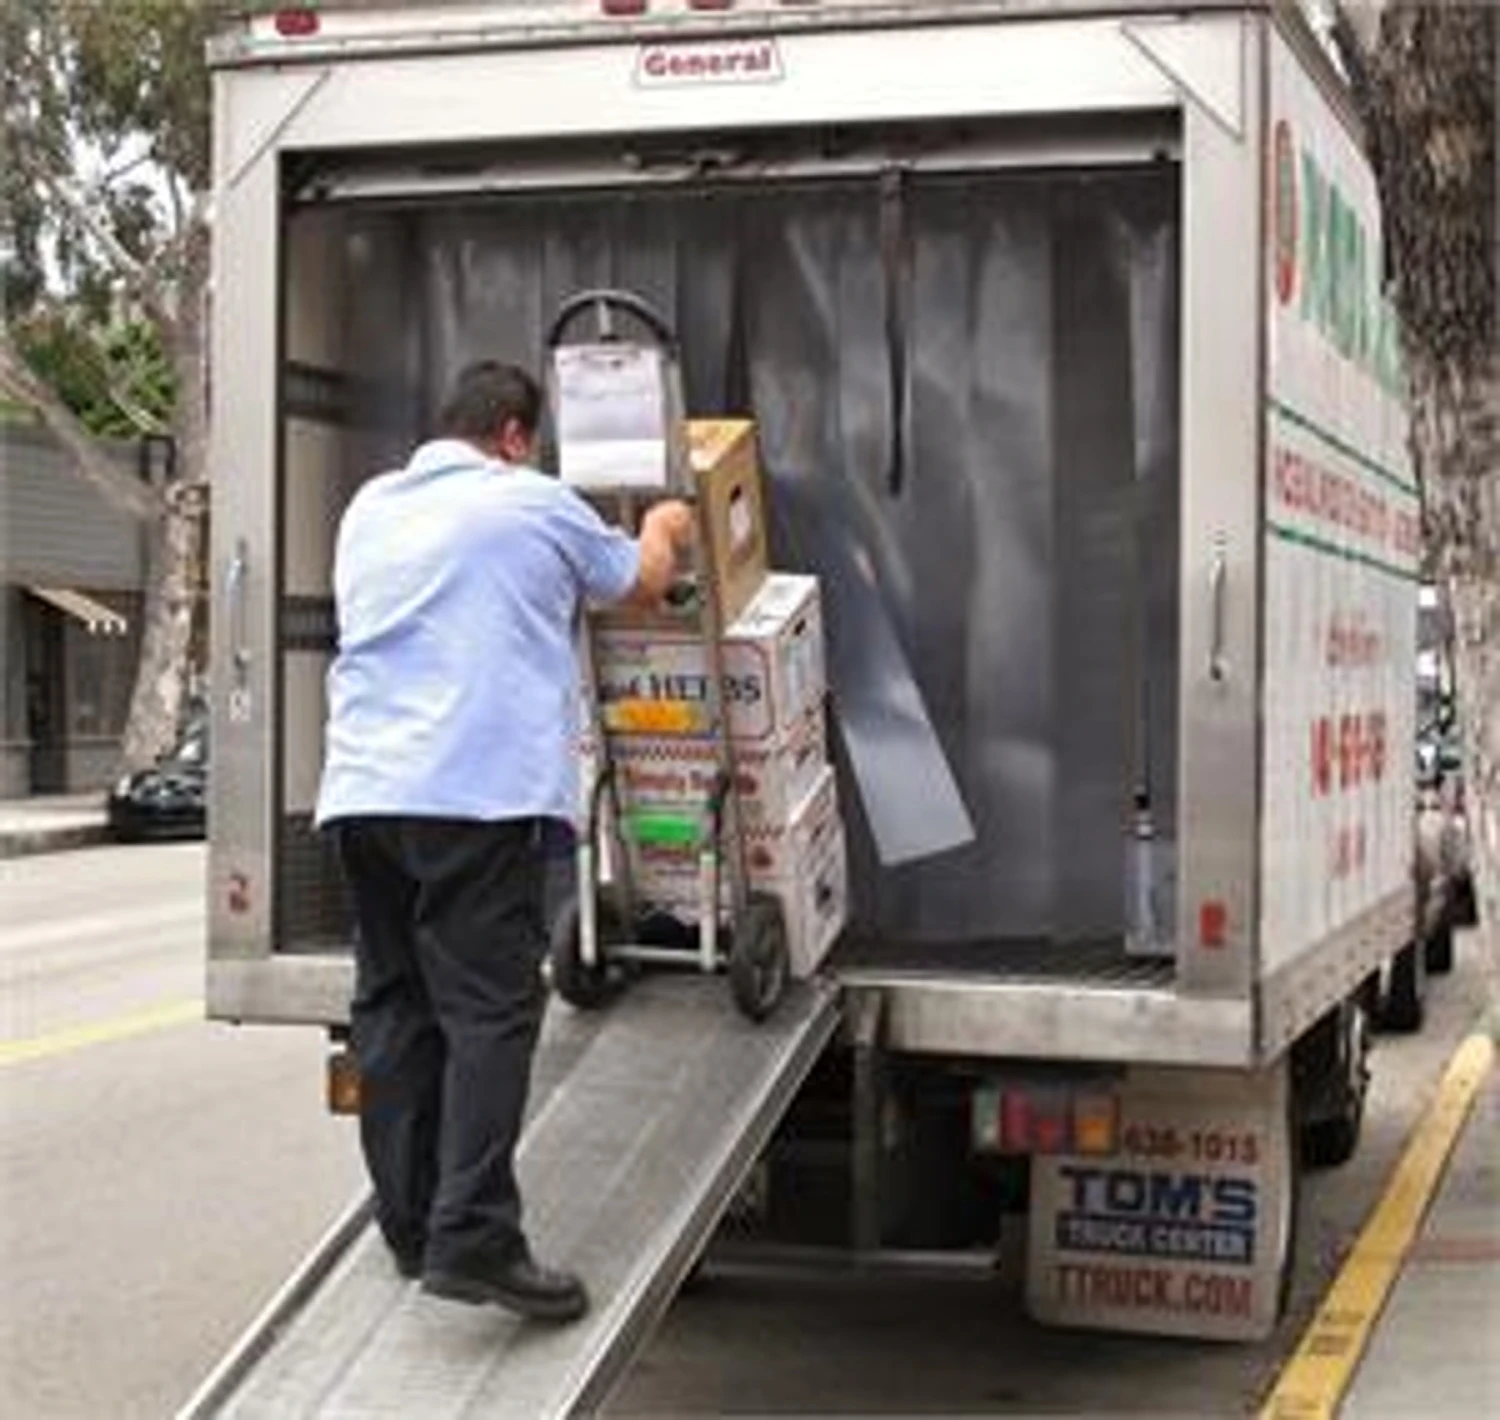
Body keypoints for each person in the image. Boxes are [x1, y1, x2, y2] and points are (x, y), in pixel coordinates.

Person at [315, 359, 693, 1322]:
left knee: (395, 1007)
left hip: (364, 793)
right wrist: (667, 523)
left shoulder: (370, 506)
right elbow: (641, 584)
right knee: (488, 1012)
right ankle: (476, 1237)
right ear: (517, 436)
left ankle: (411, 1227)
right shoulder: (532, 502)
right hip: (473, 795)